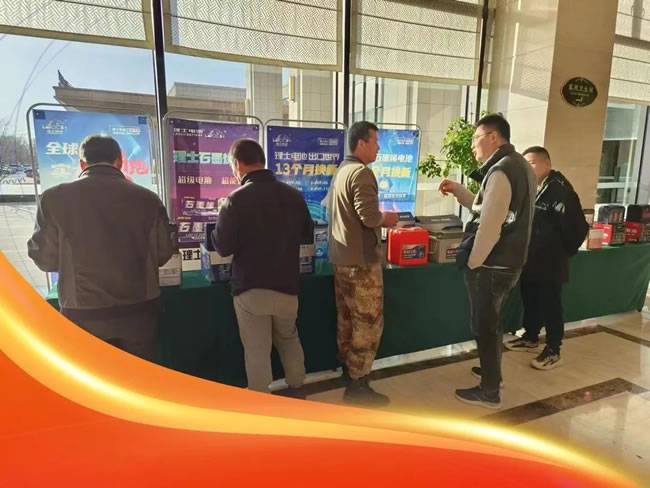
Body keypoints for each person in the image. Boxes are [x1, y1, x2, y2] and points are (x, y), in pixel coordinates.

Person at [28, 134, 174, 360]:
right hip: (139, 312)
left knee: (89, 377)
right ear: (120, 161)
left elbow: (45, 260)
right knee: (140, 377)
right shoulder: (148, 199)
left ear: (82, 164)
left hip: (82, 314)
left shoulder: (53, 198)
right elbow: (163, 253)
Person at [438, 114, 536, 409]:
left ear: (493, 137)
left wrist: (473, 262)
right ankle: (493, 373)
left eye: (475, 139)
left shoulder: (501, 170)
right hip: (511, 261)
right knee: (493, 321)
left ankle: (489, 391)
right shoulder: (520, 166)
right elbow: (490, 208)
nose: (472, 146)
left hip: (492, 264)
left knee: (485, 324)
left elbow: (490, 226)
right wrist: (460, 191)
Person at [212, 139, 314, 394]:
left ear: (238, 165)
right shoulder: (293, 195)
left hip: (251, 289)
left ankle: (261, 399)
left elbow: (222, 247)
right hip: (288, 287)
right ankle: (298, 388)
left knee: (257, 349)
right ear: (262, 161)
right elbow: (307, 234)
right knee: (289, 338)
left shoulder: (234, 200)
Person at [327, 121, 399, 407]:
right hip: (361, 264)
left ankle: (349, 371)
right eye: (375, 141)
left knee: (346, 318)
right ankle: (358, 383)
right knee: (368, 323)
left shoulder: (342, 171)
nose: (379, 147)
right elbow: (369, 217)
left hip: (342, 260)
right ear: (361, 143)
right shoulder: (361, 173)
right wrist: (387, 219)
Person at [505, 146, 588, 370]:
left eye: (532, 163)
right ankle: (531, 336)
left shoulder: (561, 191)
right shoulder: (535, 188)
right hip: (531, 258)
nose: (528, 168)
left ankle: (553, 349)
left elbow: (578, 228)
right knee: (530, 297)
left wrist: (562, 252)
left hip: (551, 261)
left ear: (547, 164)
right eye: (525, 164)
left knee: (550, 304)